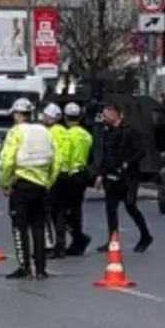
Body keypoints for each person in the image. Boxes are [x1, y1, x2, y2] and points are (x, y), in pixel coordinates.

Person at [0, 98, 56, 280]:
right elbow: (56, 159)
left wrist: (4, 182)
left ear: (17, 114)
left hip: (21, 184)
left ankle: (24, 267)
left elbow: (7, 160)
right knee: (38, 227)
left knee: (19, 227)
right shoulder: (44, 131)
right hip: (41, 186)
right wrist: (48, 182)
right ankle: (41, 268)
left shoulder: (16, 132)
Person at [95, 102, 153, 253]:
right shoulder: (107, 132)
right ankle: (112, 240)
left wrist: (128, 162)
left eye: (106, 115)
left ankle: (146, 236)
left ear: (115, 114)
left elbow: (141, 151)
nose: (104, 118)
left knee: (130, 204)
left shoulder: (131, 131)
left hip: (129, 175)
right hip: (111, 174)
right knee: (111, 208)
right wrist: (101, 174)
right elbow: (105, 154)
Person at [61, 102, 93, 256]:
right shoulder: (87, 135)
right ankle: (78, 240)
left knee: (62, 210)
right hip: (83, 173)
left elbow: (65, 156)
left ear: (66, 118)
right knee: (76, 209)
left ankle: (79, 238)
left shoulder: (67, 135)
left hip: (71, 174)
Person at [40, 103, 69, 257]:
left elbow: (52, 154)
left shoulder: (49, 133)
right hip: (66, 174)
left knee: (47, 211)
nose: (42, 118)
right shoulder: (65, 131)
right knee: (60, 212)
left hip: (54, 174)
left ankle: (50, 245)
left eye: (45, 116)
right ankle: (61, 244)